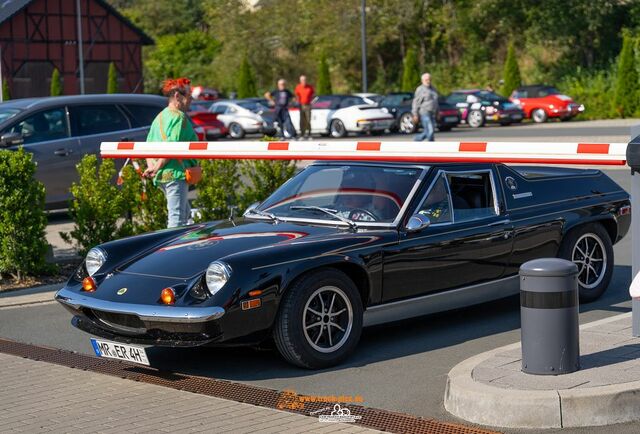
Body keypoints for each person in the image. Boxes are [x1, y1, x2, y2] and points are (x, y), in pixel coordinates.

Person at [143, 77, 198, 228]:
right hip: (175, 174)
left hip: (161, 176)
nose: (191, 99)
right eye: (189, 95)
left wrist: (152, 167)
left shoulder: (160, 117)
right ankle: (174, 250)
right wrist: (157, 167)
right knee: (177, 221)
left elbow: (148, 145)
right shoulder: (178, 117)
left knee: (184, 214)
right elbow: (171, 146)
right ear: (177, 96)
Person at [412, 73, 439, 142]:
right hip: (424, 112)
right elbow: (416, 102)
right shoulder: (420, 89)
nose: (428, 81)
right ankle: (430, 146)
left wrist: (437, 113)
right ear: (422, 81)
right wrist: (415, 114)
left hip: (432, 113)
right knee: (430, 130)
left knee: (429, 131)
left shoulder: (433, 89)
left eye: (429, 79)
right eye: (426, 80)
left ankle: (416, 139)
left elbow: (436, 102)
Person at [294, 75, 315, 139]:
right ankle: (302, 135)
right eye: (302, 80)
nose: (304, 81)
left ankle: (309, 134)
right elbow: (296, 96)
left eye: (305, 80)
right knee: (302, 120)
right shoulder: (298, 87)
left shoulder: (310, 87)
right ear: (300, 81)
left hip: (308, 105)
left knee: (308, 120)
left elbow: (313, 95)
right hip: (301, 105)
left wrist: (312, 102)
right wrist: (297, 102)